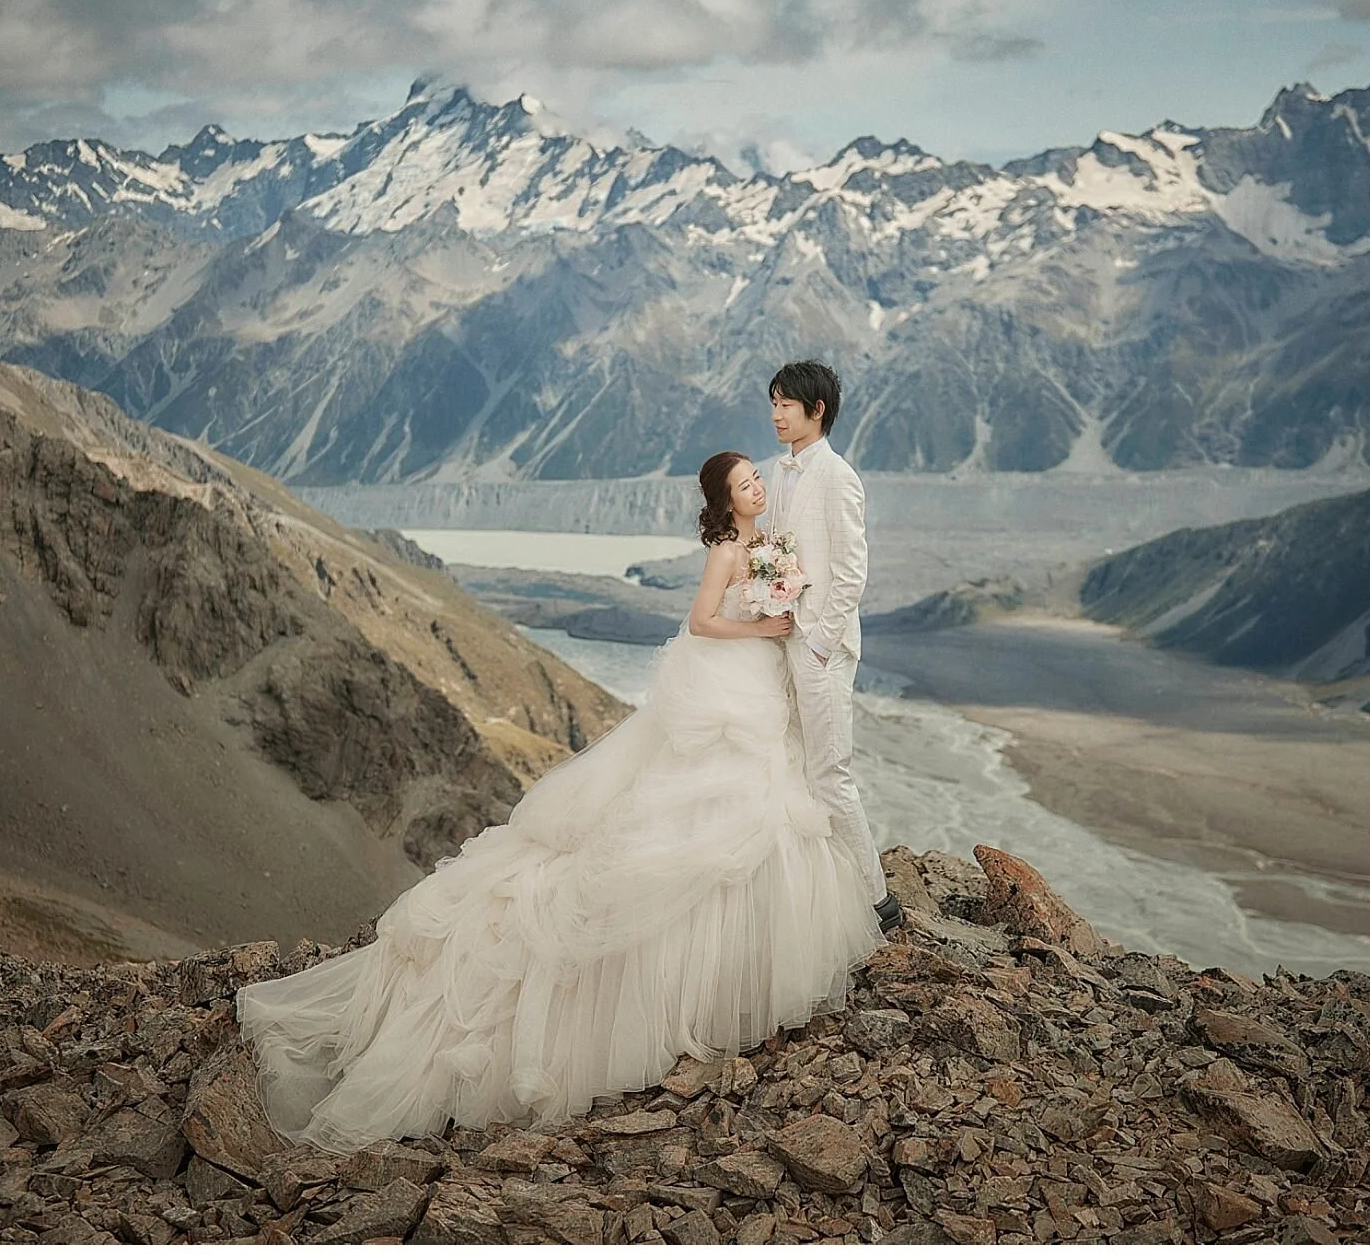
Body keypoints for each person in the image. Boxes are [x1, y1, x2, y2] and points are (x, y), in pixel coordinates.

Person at [234, 452, 886, 1153]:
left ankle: (748, 955)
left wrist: (782, 608)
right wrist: (761, 626)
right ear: (726, 504)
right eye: (745, 484)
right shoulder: (730, 548)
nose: (758, 486)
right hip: (730, 675)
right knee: (704, 813)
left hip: (761, 683)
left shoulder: (768, 541)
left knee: (767, 803)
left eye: (757, 477)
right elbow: (701, 621)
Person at [765, 361, 901, 934]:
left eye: (786, 406)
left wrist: (820, 641)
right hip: (782, 637)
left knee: (830, 771)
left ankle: (877, 900)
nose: (775, 415)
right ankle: (816, 894)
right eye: (772, 404)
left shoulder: (839, 477)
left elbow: (850, 570)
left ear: (816, 411)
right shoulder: (777, 472)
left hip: (821, 645)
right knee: (791, 762)